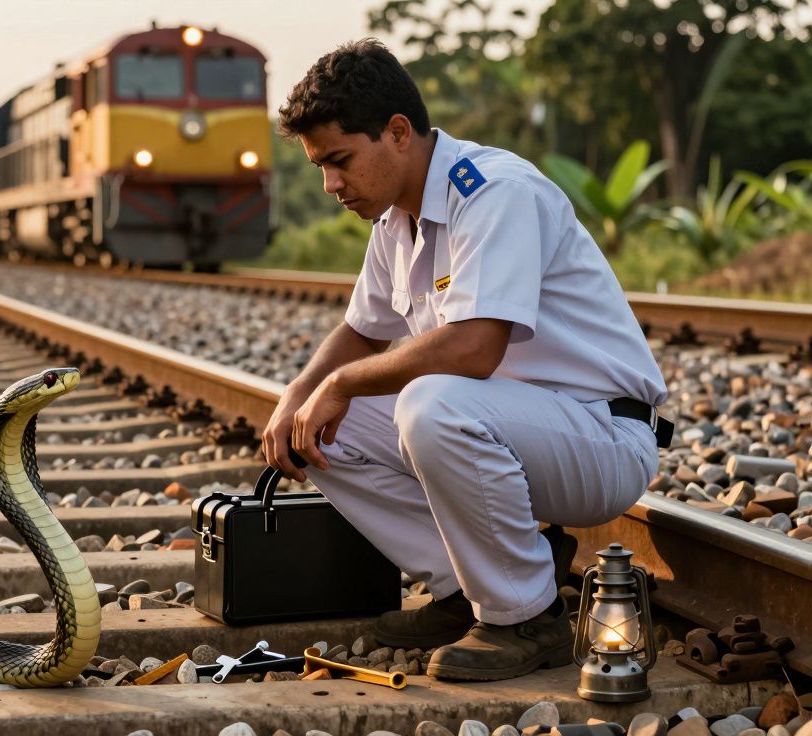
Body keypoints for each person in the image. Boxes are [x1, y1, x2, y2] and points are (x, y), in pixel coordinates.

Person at [262, 39, 669, 682]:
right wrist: (298, 395)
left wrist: (339, 382)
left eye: (338, 160)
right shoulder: (396, 221)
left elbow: (474, 349)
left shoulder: (492, 192)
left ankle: (525, 619)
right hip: (512, 426)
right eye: (320, 166)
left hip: (600, 436)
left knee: (431, 400)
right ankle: (465, 593)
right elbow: (362, 333)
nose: (330, 184)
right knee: (318, 427)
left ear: (397, 132)